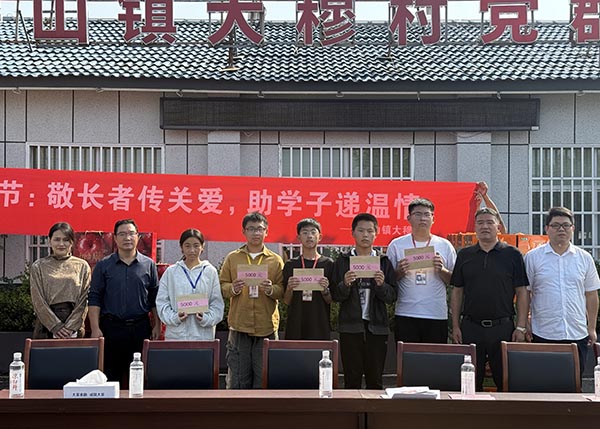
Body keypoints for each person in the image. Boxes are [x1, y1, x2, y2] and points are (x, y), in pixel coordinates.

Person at [450, 207, 529, 391]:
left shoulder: (513, 254)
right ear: (475, 227)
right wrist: (455, 325)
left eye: (489, 222)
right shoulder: (464, 255)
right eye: (480, 223)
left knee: (506, 380)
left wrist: (521, 326)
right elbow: (457, 291)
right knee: (469, 381)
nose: (485, 226)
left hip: (503, 327)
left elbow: (522, 291)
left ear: (498, 227)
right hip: (471, 327)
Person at [524, 206, 600, 374]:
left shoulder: (584, 258)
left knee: (574, 384)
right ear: (547, 229)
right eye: (555, 225)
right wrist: (525, 324)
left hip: (577, 333)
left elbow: (591, 294)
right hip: (543, 333)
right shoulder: (533, 257)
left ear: (573, 228)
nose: (561, 229)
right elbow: (525, 294)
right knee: (544, 382)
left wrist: (592, 327)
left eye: (566, 225)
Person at [88, 219, 160, 384]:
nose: (127, 238)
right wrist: (95, 328)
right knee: (110, 377)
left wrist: (157, 324)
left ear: (138, 236)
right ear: (115, 238)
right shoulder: (103, 265)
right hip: (111, 329)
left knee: (139, 378)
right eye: (122, 234)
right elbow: (94, 298)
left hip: (140, 328)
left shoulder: (148, 265)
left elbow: (154, 298)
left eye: (131, 233)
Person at [331, 213, 396, 389]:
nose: (365, 235)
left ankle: (373, 409)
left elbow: (392, 297)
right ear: (353, 233)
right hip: (350, 326)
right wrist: (345, 284)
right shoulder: (343, 261)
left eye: (369, 231)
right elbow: (335, 296)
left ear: (376, 233)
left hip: (377, 327)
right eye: (361, 231)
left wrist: (381, 285)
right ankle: (351, 409)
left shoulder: (384, 262)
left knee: (375, 380)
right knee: (351, 379)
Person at [219, 212, 284, 389]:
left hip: (266, 326)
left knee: (265, 378)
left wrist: (271, 289)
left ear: (266, 232)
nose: (256, 233)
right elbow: (222, 286)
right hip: (239, 326)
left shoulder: (275, 260)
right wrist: (233, 288)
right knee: (238, 379)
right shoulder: (233, 258)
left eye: (260, 229)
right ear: (244, 232)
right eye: (251, 229)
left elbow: (282, 289)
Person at [386, 198, 456, 344]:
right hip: (406, 313)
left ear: (433, 219)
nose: (422, 218)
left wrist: (441, 270)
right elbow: (388, 281)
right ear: (409, 218)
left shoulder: (445, 245)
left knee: (434, 357)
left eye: (426, 214)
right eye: (417, 214)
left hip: (436, 314)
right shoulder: (396, 245)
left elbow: (455, 281)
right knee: (406, 356)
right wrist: (399, 272)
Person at [156, 229, 224, 340]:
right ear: (181, 247)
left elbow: (217, 304)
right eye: (187, 246)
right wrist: (175, 317)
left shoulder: (210, 271)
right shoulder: (171, 272)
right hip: (176, 336)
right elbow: (162, 302)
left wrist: (206, 318)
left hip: (203, 336)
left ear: (202, 247)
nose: (192, 250)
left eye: (196, 246)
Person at [30, 222, 91, 339]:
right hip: (46, 325)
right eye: (57, 239)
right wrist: (55, 326)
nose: (61, 244)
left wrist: (71, 327)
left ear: (72, 242)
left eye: (66, 240)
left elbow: (85, 299)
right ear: (50, 241)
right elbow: (38, 300)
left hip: (74, 326)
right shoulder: (38, 266)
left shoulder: (82, 266)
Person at [283, 218, 334, 340]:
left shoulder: (328, 264)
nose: (309, 236)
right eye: (305, 232)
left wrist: (325, 290)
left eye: (313, 232)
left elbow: (330, 300)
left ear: (320, 237)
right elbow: (286, 301)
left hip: (319, 323)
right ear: (298, 237)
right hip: (296, 323)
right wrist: (289, 288)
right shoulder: (291, 264)